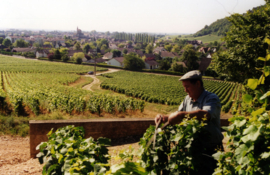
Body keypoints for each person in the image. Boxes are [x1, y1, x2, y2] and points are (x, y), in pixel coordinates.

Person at [155, 70, 224, 175]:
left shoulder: (211, 98)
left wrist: (181, 115)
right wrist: (164, 117)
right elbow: (178, 115)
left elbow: (206, 114)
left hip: (211, 150)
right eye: (184, 87)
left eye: (187, 86)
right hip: (192, 150)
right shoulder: (187, 99)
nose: (185, 90)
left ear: (198, 84)